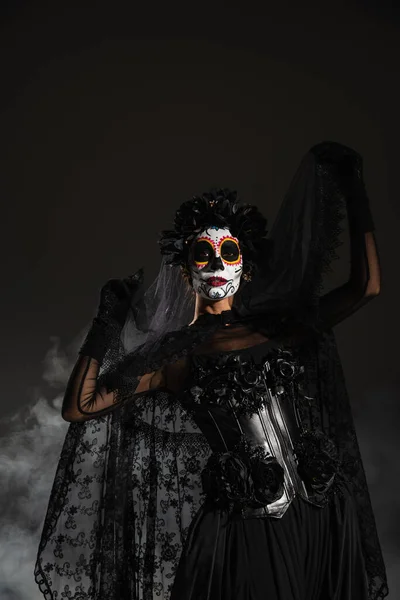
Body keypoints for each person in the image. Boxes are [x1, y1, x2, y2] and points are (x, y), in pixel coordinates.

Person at [34, 141, 388, 600]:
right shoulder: (174, 356)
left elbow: (367, 287)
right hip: (250, 525)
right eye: (204, 253)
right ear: (185, 270)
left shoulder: (278, 329)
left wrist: (353, 190)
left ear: (246, 262)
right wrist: (107, 321)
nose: (218, 263)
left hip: (323, 511)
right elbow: (79, 408)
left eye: (229, 252)